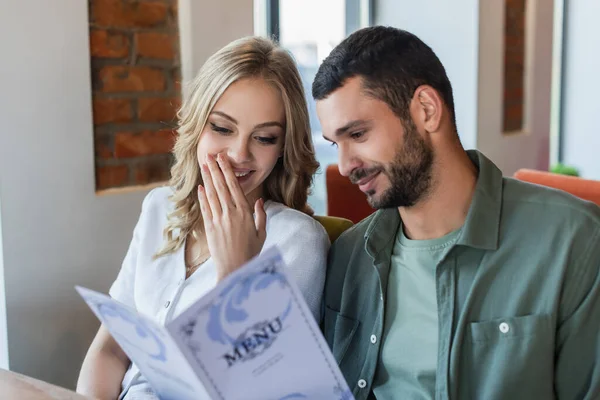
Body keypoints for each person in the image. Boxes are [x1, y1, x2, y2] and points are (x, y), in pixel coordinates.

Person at [313, 26, 600, 400]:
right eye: (336, 143)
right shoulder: (348, 256)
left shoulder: (572, 241)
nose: (346, 164)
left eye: (358, 134)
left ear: (427, 110)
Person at [76, 36, 329, 400]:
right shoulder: (159, 208)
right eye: (222, 129)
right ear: (196, 128)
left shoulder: (297, 241)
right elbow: (111, 349)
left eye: (264, 137)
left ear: (283, 149)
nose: (239, 153)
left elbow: (257, 388)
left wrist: (235, 274)